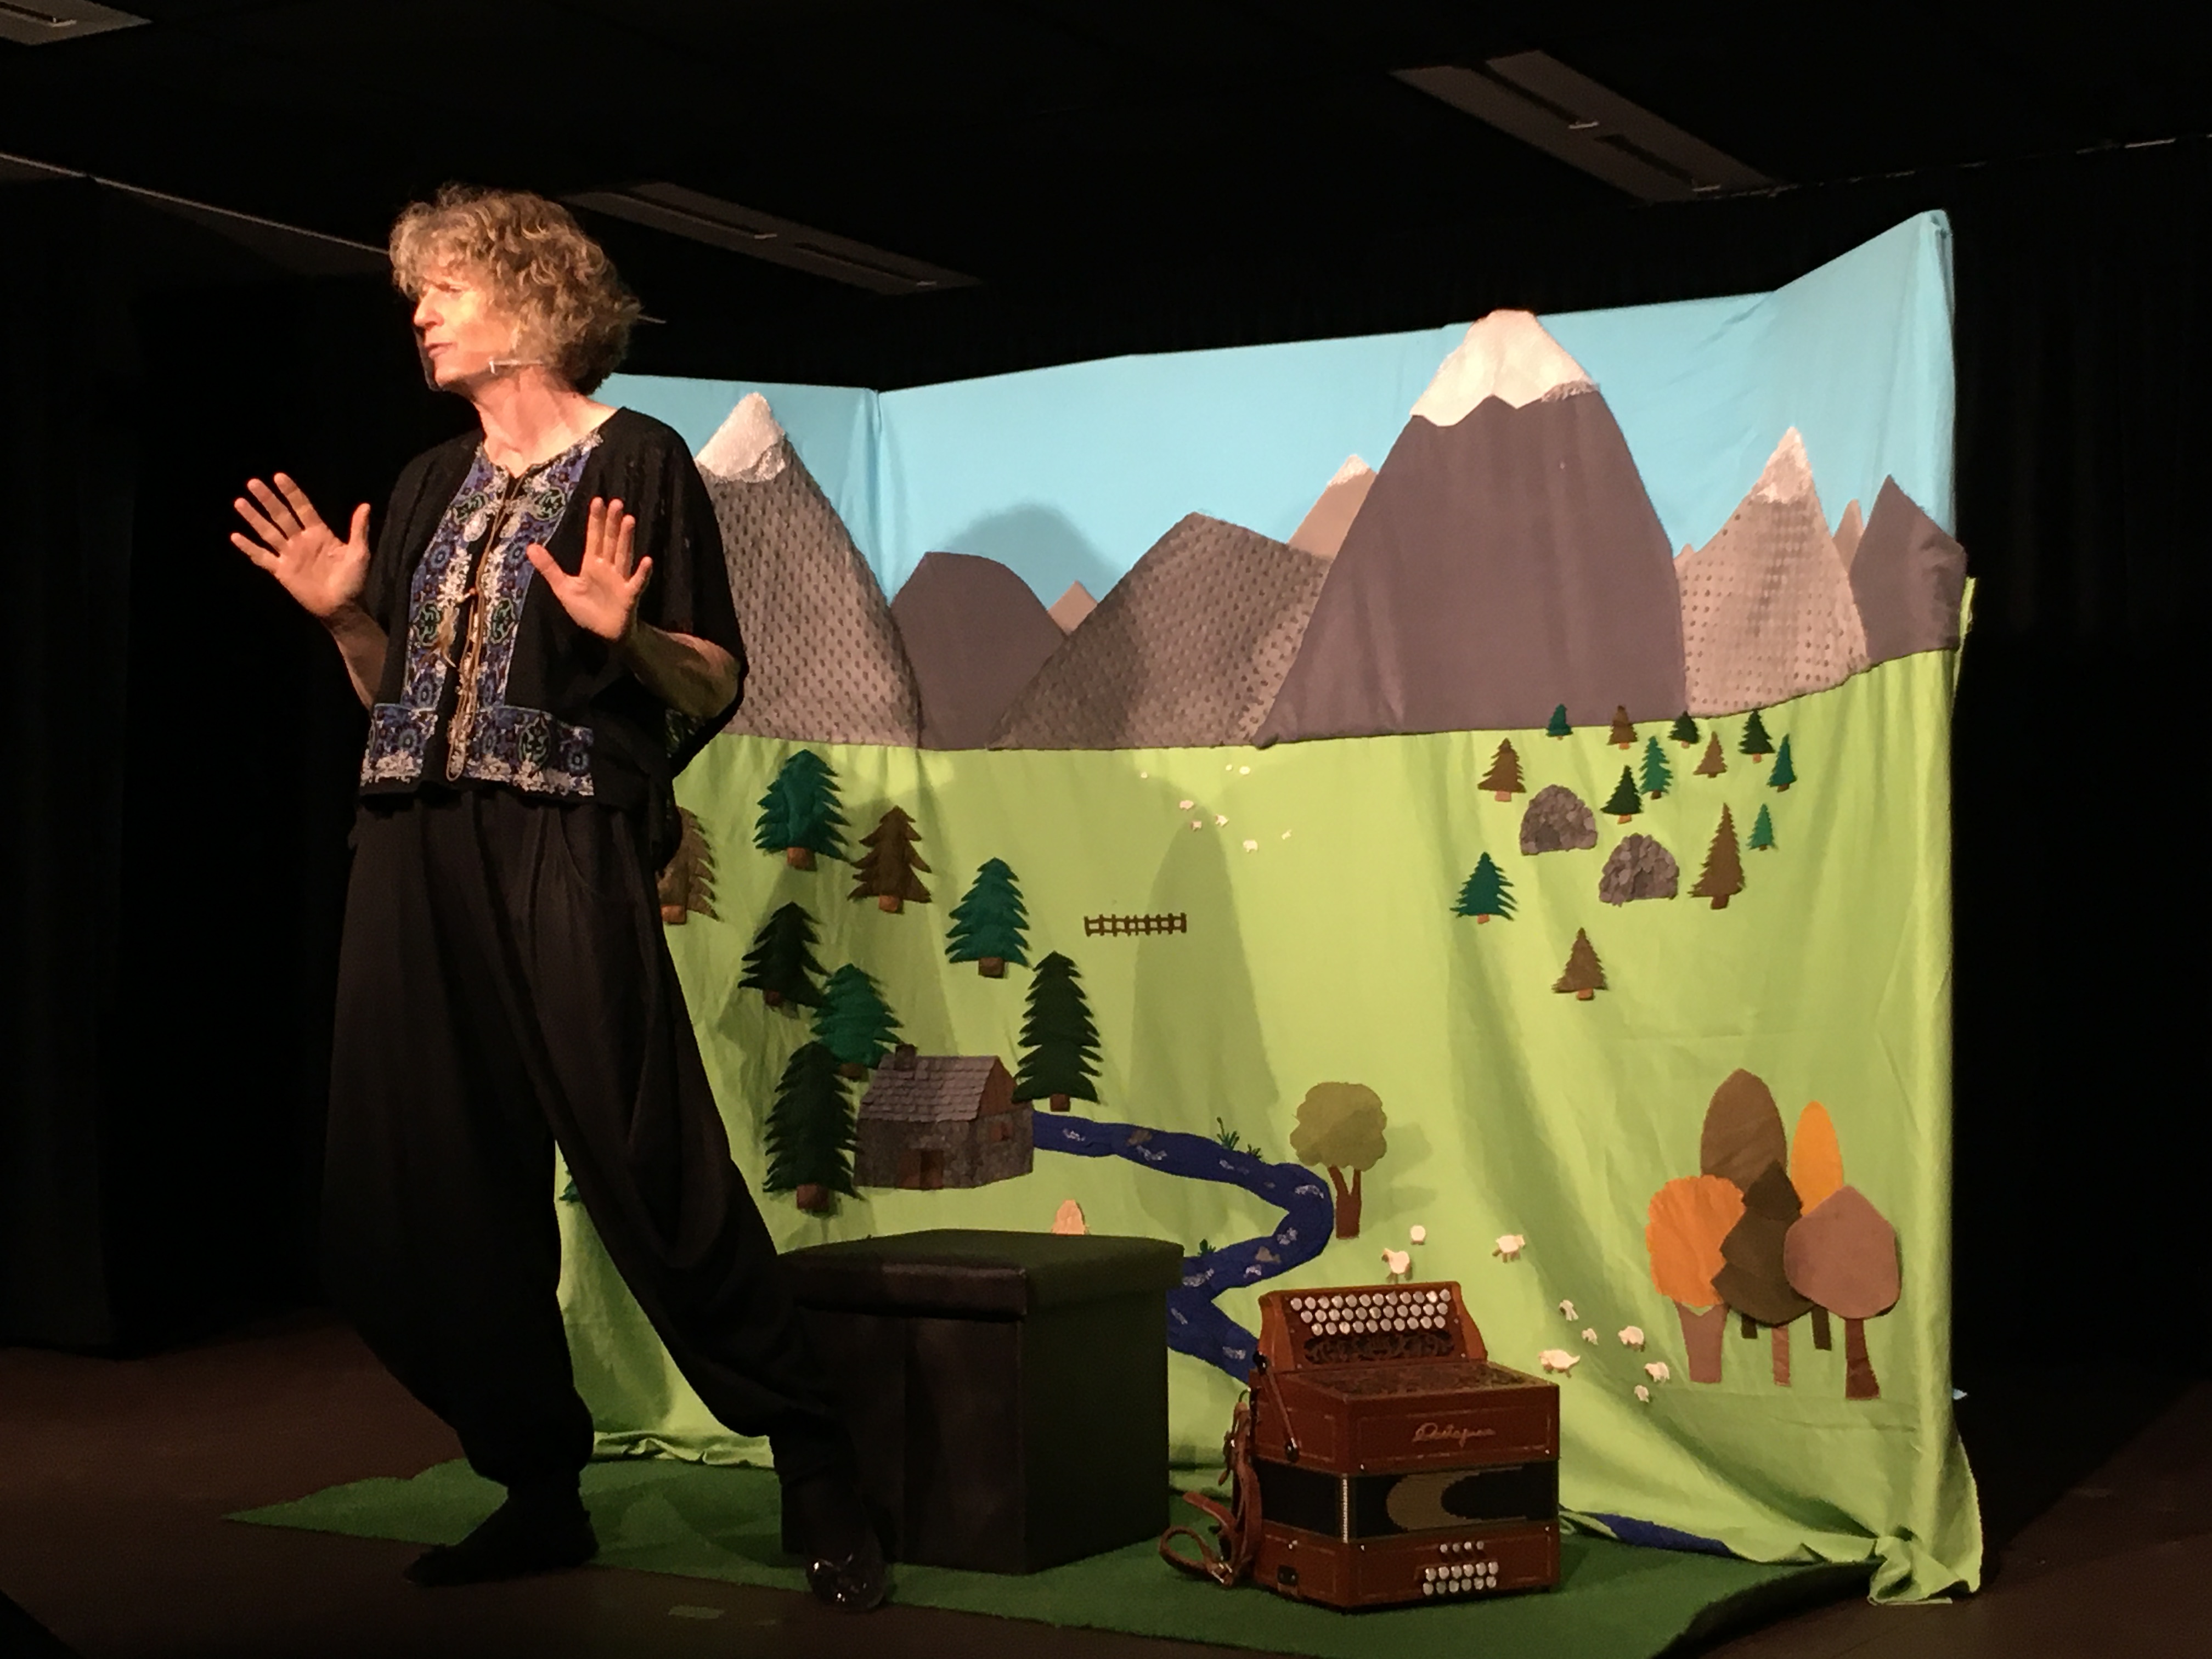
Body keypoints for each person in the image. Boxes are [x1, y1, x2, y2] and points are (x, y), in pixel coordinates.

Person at [230, 185, 884, 1609]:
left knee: (644, 1154)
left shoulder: (637, 459)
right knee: (420, 1181)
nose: (420, 313)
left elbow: (711, 681)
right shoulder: (425, 482)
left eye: (446, 287)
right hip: (413, 841)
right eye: (418, 292)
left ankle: (815, 1450)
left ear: (531, 300)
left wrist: (627, 635)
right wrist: (347, 618)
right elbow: (393, 696)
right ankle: (536, 1484)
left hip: (560, 839)